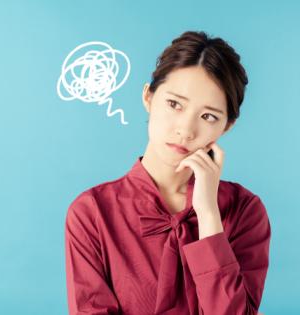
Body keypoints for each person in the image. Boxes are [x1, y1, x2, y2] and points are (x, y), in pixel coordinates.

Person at [64, 30, 271, 315]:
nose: (185, 130)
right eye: (174, 104)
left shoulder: (245, 211)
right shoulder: (92, 212)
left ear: (226, 126)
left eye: (208, 116)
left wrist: (209, 216)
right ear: (148, 97)